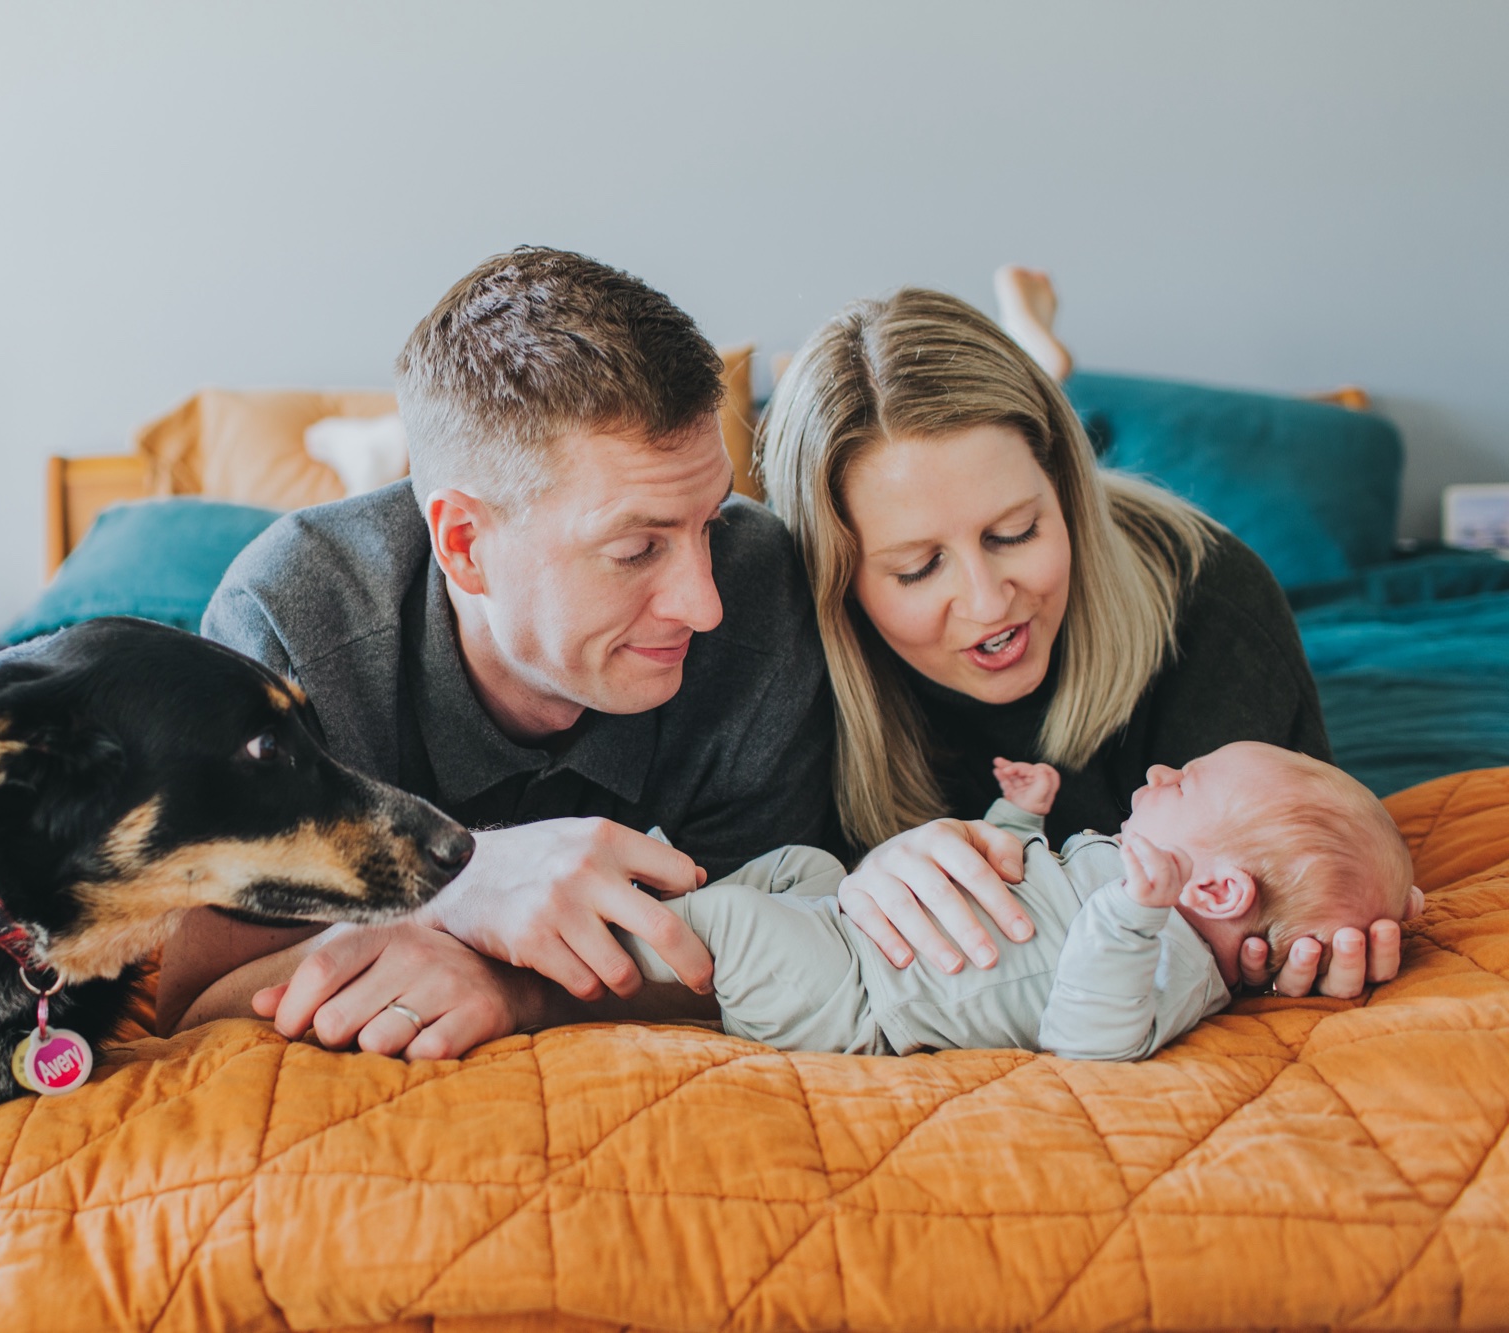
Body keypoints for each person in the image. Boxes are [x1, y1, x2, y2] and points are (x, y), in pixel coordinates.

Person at [155, 247, 838, 1059]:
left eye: (710, 521)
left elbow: (793, 956)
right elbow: (191, 1008)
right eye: (635, 549)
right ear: (465, 543)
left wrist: (520, 987)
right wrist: (455, 888)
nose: (704, 602)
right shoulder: (291, 633)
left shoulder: (761, 593)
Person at [756, 277, 1407, 1002]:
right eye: (917, 567)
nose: (987, 600)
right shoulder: (778, 651)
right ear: (837, 575)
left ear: (1065, 490)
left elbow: (1293, 868)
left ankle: (1039, 359)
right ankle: (1036, 351)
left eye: (1016, 531)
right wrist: (860, 884)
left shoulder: (1216, 606)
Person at [617, 743, 1417, 1059]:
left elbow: (1090, 1039)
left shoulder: (1165, 950)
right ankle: (671, 895)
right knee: (802, 862)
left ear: (1215, 888)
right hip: (853, 930)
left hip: (857, 999)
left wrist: (1133, 917)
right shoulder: (1138, 885)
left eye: (1189, 781)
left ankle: (611, 926)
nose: (1164, 773)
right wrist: (1019, 818)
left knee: (735, 924)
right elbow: (1020, 885)